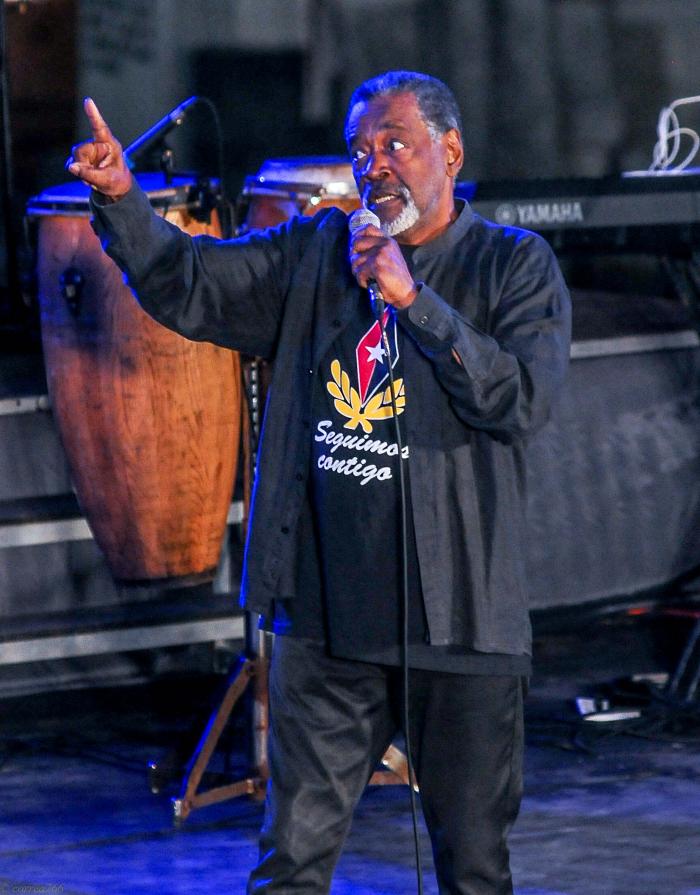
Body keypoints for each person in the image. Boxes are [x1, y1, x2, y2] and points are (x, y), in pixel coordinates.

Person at [67, 70, 571, 894]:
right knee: (290, 868)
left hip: (462, 628)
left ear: (450, 151)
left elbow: (518, 400)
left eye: (395, 144)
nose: (375, 166)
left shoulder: (513, 265)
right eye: (360, 151)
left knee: (475, 871)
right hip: (326, 623)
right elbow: (191, 283)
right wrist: (122, 200)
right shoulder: (315, 251)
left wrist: (414, 300)